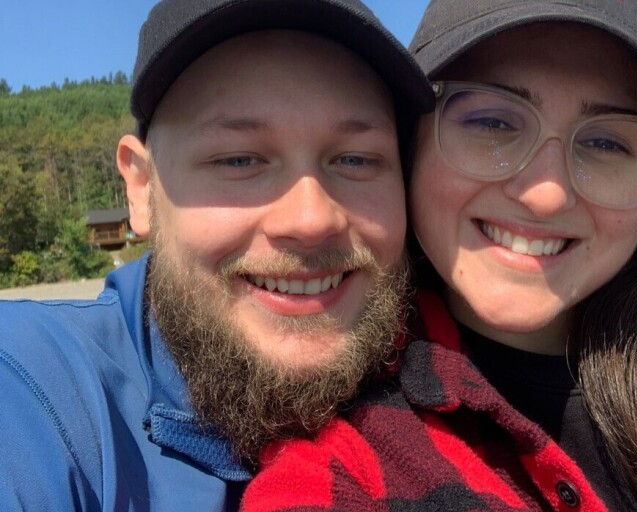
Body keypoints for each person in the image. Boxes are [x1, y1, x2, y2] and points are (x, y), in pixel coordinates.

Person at [241, 0, 637, 511]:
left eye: (604, 142)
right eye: (492, 123)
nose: (545, 194)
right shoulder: (346, 464)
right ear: (408, 140)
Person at [0, 0, 433, 509]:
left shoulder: (457, 377)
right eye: (239, 159)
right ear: (140, 189)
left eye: (357, 159)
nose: (311, 220)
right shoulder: (35, 391)